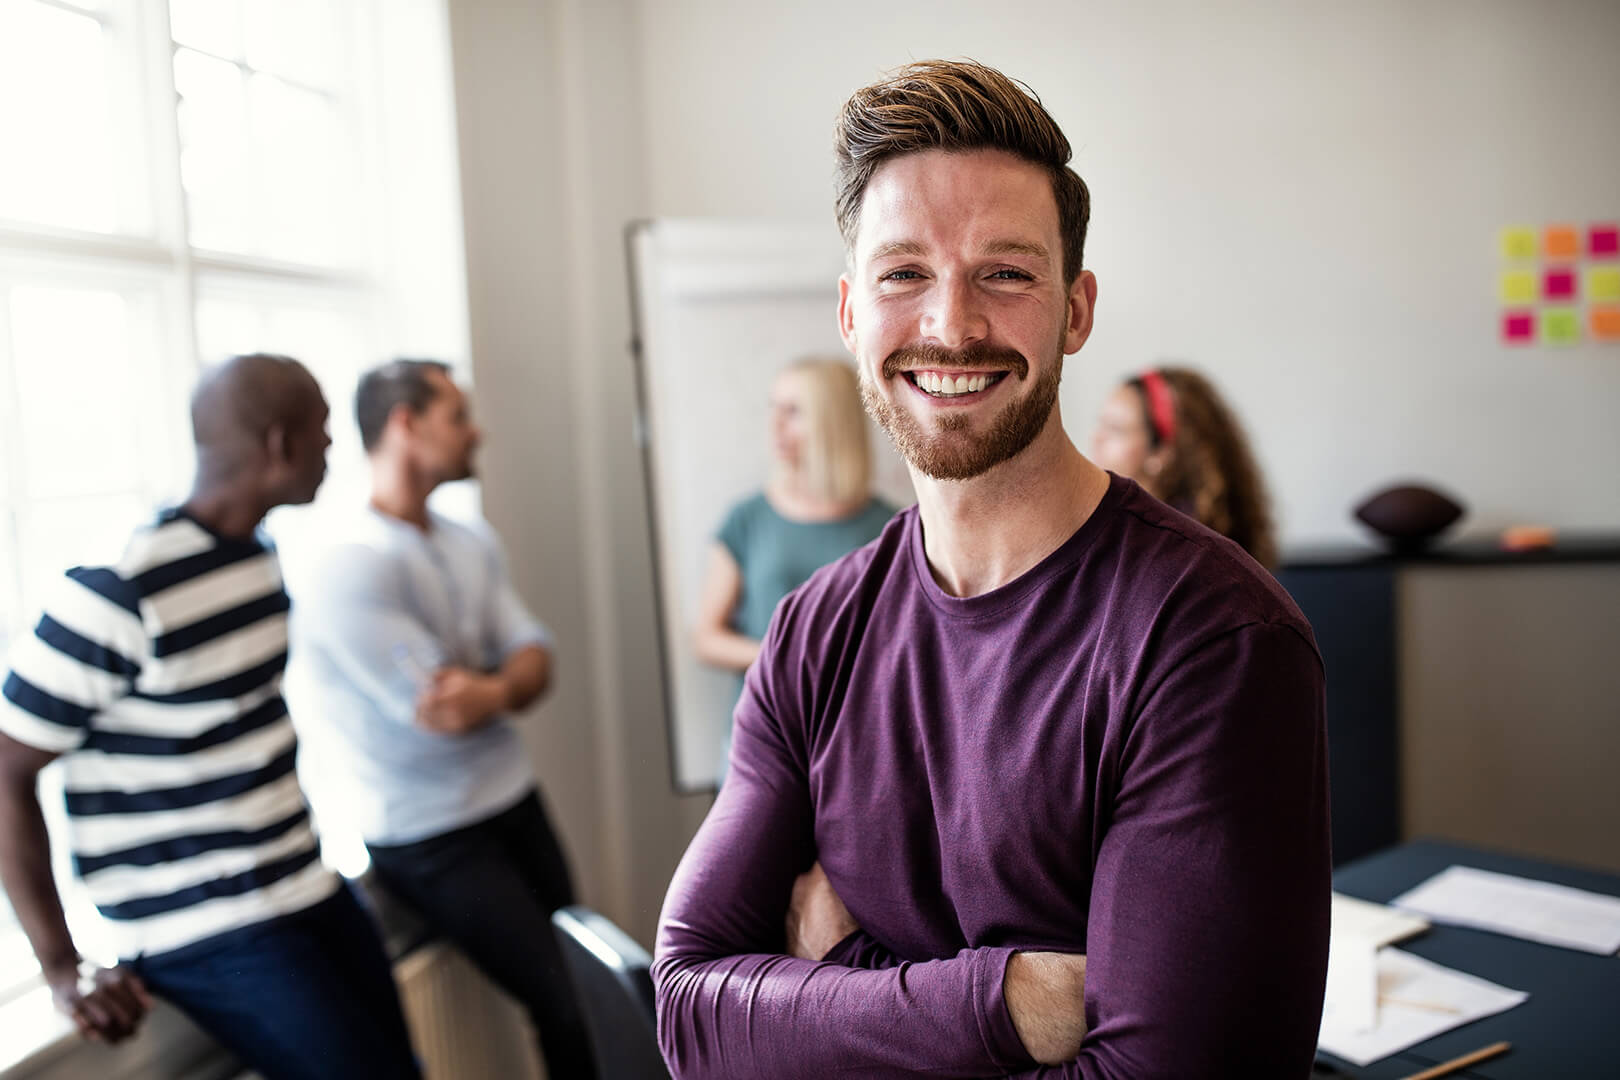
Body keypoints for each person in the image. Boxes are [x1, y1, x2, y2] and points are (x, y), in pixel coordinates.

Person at [653, 60, 1330, 1078]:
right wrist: (1003, 1002)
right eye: (903, 274)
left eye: (1006, 272)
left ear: (1076, 309)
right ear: (849, 313)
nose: (951, 324)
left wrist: (842, 964)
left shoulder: (1212, 640)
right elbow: (691, 1016)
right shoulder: (811, 633)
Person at [0, 354, 421, 1080]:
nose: (333, 449)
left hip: (308, 887)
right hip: (212, 930)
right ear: (281, 443)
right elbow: (6, 769)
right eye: (323, 431)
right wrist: (63, 967)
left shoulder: (259, 554)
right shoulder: (119, 590)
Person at [285, 359, 596, 1080]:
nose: (475, 431)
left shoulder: (466, 539)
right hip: (429, 832)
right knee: (564, 999)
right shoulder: (347, 561)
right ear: (406, 425)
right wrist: (500, 684)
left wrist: (489, 688)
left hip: (510, 796)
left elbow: (535, 657)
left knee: (580, 984)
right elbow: (442, 710)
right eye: (457, 415)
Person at [691, 358, 896, 769]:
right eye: (773, 408)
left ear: (832, 422)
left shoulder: (891, 527)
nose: (776, 426)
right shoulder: (748, 519)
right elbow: (706, 637)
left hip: (856, 747)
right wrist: (791, 659)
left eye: (794, 412)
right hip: (760, 743)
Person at [1090, 366, 1279, 568]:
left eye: (1116, 429)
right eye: (1101, 424)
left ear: (1162, 451)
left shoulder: (1184, 552)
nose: (1097, 439)